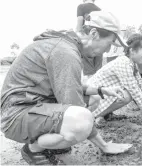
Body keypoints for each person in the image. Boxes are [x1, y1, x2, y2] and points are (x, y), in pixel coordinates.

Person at [1, 11, 132, 165]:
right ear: (94, 34)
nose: (108, 50)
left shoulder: (66, 45)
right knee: (81, 121)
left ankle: (51, 141)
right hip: (15, 115)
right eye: (109, 43)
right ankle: (33, 149)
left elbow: (70, 85)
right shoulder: (66, 53)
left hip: (30, 106)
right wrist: (104, 145)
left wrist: (101, 90)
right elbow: (75, 105)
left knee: (94, 99)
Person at [87, 34, 142, 127]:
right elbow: (136, 92)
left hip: (101, 96)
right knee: (127, 95)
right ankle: (94, 115)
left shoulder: (132, 64)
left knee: (126, 94)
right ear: (132, 51)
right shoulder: (123, 63)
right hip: (92, 99)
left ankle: (105, 114)